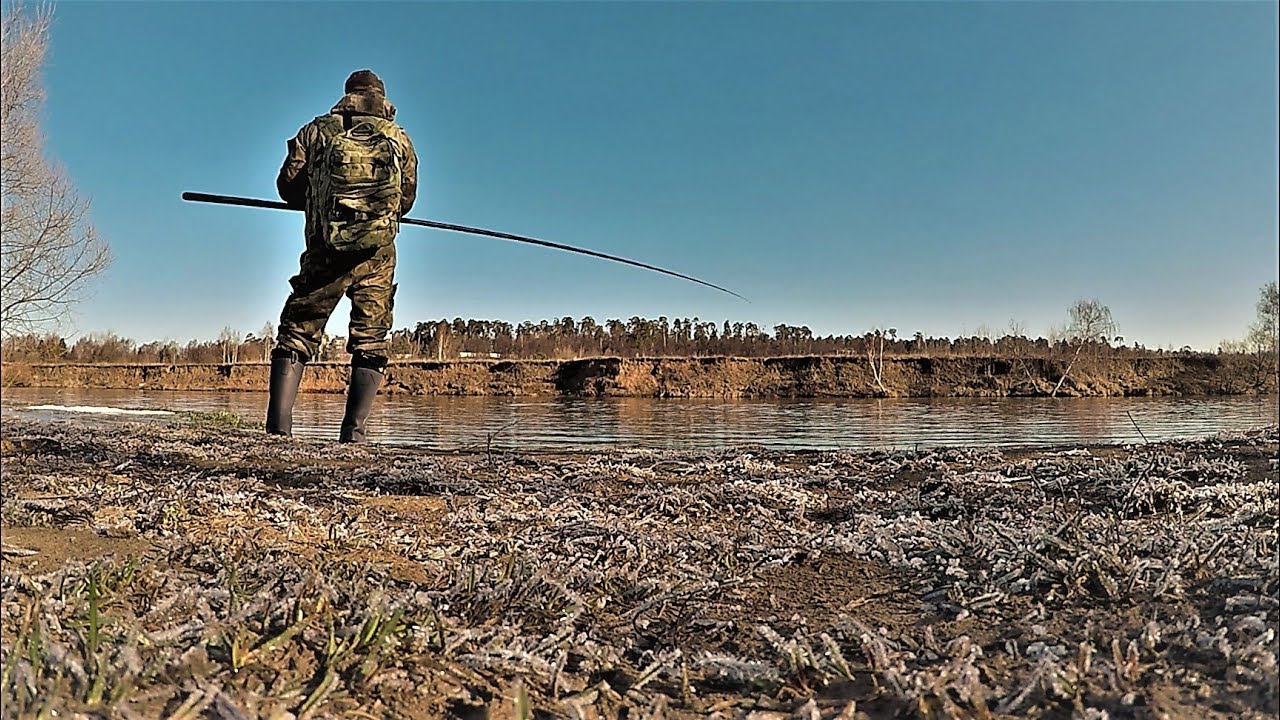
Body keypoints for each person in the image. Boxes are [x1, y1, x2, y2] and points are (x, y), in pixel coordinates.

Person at [266, 70, 418, 442]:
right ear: (381, 97)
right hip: (376, 254)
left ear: (347, 95)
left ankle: (278, 431)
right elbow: (408, 200)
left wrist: (321, 197)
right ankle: (354, 434)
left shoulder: (317, 131)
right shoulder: (399, 140)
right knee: (371, 340)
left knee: (297, 333)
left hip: (325, 248)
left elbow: (287, 187)